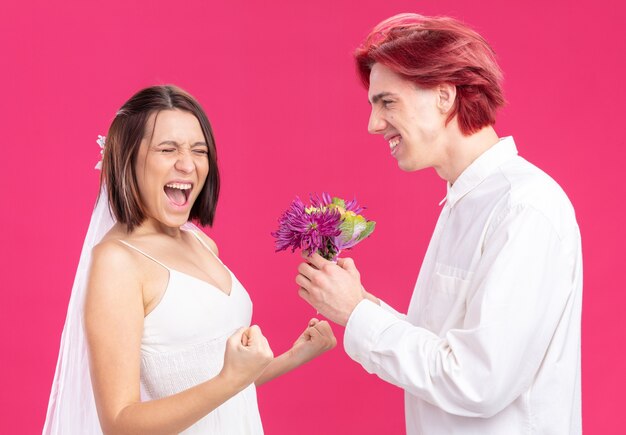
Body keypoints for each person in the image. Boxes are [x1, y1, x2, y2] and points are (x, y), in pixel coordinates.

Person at [295, 13, 582, 435]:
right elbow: (442, 346)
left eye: (387, 102)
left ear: (444, 96)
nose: (373, 124)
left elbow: (477, 381)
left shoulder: (523, 207)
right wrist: (357, 301)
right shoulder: (463, 202)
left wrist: (356, 312)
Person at [44, 85, 336, 434]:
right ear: (127, 159)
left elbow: (209, 387)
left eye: (199, 150)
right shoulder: (117, 262)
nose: (188, 164)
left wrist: (294, 356)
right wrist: (229, 380)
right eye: (168, 149)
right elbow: (120, 424)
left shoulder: (199, 242)